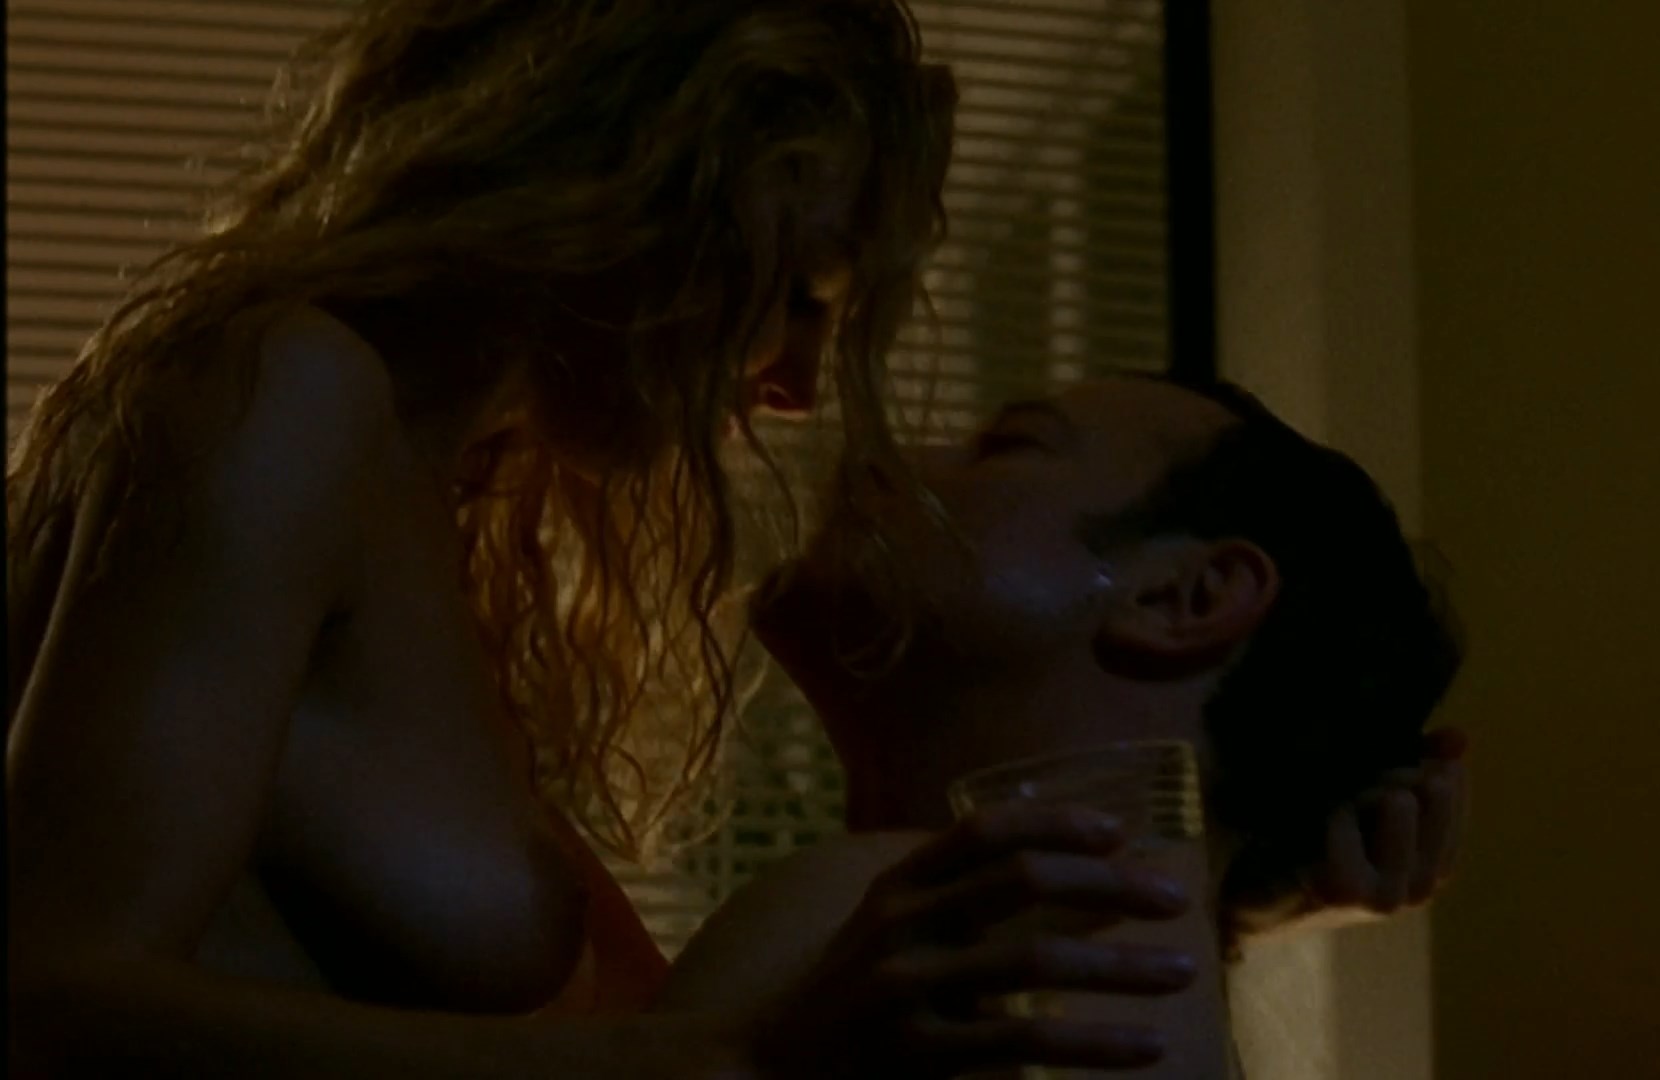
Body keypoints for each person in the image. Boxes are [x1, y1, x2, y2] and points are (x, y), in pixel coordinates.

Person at [5, 1, 1462, 1075]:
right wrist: (731, 1063)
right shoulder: (289, 392)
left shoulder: (431, 532)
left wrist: (1244, 886)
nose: (799, 388)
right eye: (809, 295)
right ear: (668, 169)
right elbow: (44, 999)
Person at [659, 374, 1465, 1076]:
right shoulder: (998, 967)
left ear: (1184, 599)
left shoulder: (880, 917)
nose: (873, 459)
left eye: (1007, 446)